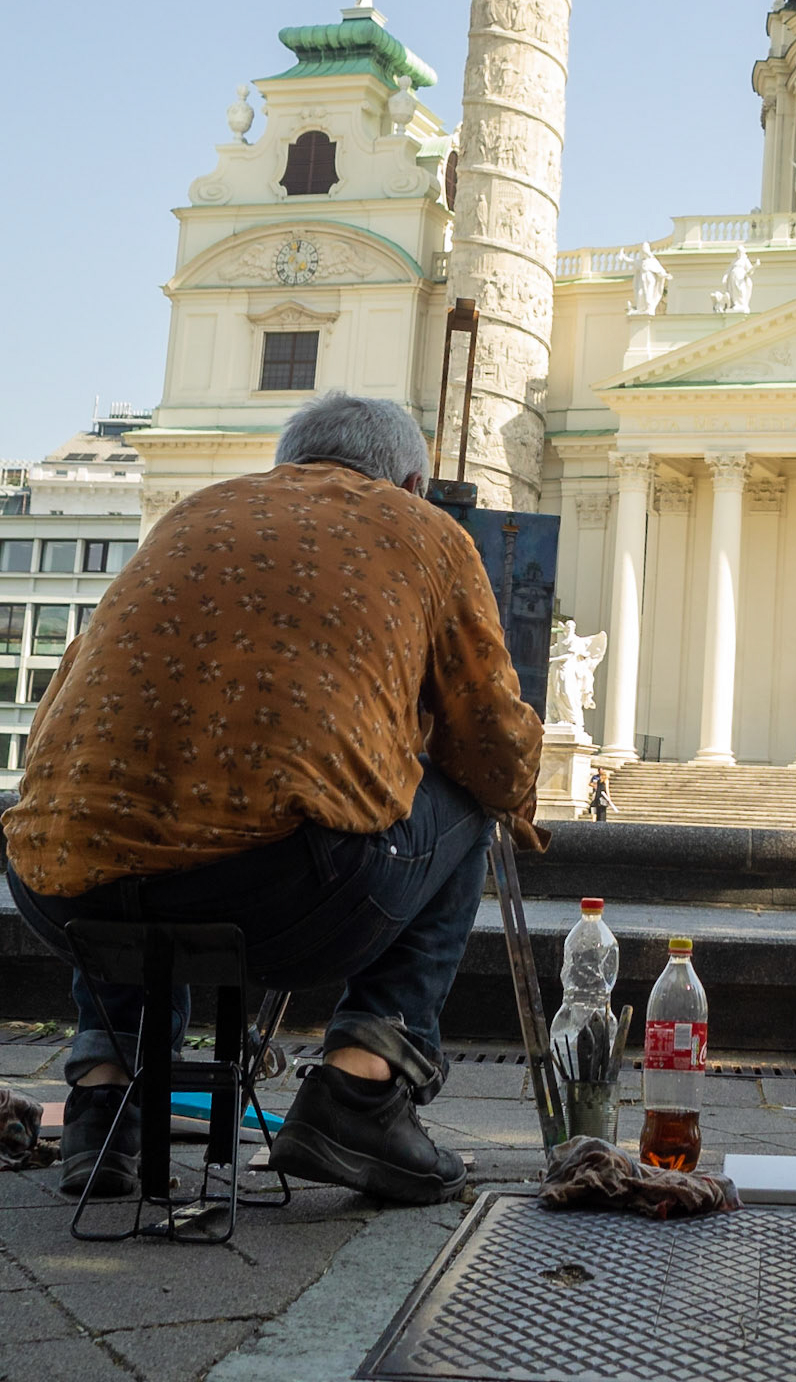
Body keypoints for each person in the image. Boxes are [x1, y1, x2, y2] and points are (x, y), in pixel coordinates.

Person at [3, 393, 544, 1208]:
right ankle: (361, 1090)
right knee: (470, 804)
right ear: (411, 480)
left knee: (110, 802)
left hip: (54, 887)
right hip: (279, 895)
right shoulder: (425, 530)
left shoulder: (194, 515)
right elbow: (493, 744)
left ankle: (101, 1100)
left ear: (285, 461)